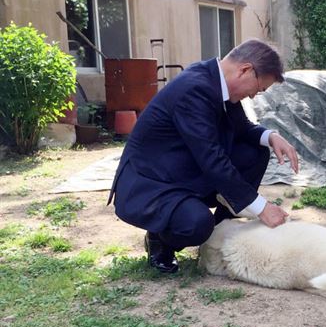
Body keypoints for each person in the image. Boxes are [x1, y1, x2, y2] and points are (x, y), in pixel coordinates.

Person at [108, 39, 298, 273]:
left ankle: (218, 234)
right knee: (196, 224)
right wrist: (262, 207)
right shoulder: (194, 88)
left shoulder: (217, 84)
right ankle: (161, 239)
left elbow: (242, 127)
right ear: (245, 70)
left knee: (255, 152)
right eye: (258, 89)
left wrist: (270, 137)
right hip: (153, 182)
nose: (253, 97)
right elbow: (211, 158)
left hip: (184, 169)